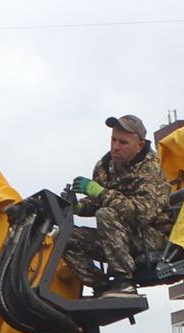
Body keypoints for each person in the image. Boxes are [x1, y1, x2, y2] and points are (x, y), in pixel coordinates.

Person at [69, 113, 175, 297]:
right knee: (66, 237)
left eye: (123, 143)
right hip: (117, 237)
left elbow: (142, 214)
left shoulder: (150, 169)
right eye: (113, 140)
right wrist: (77, 207)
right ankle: (101, 286)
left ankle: (124, 282)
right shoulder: (104, 166)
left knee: (106, 213)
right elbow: (97, 200)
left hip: (151, 238)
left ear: (139, 145)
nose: (115, 147)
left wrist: (99, 192)